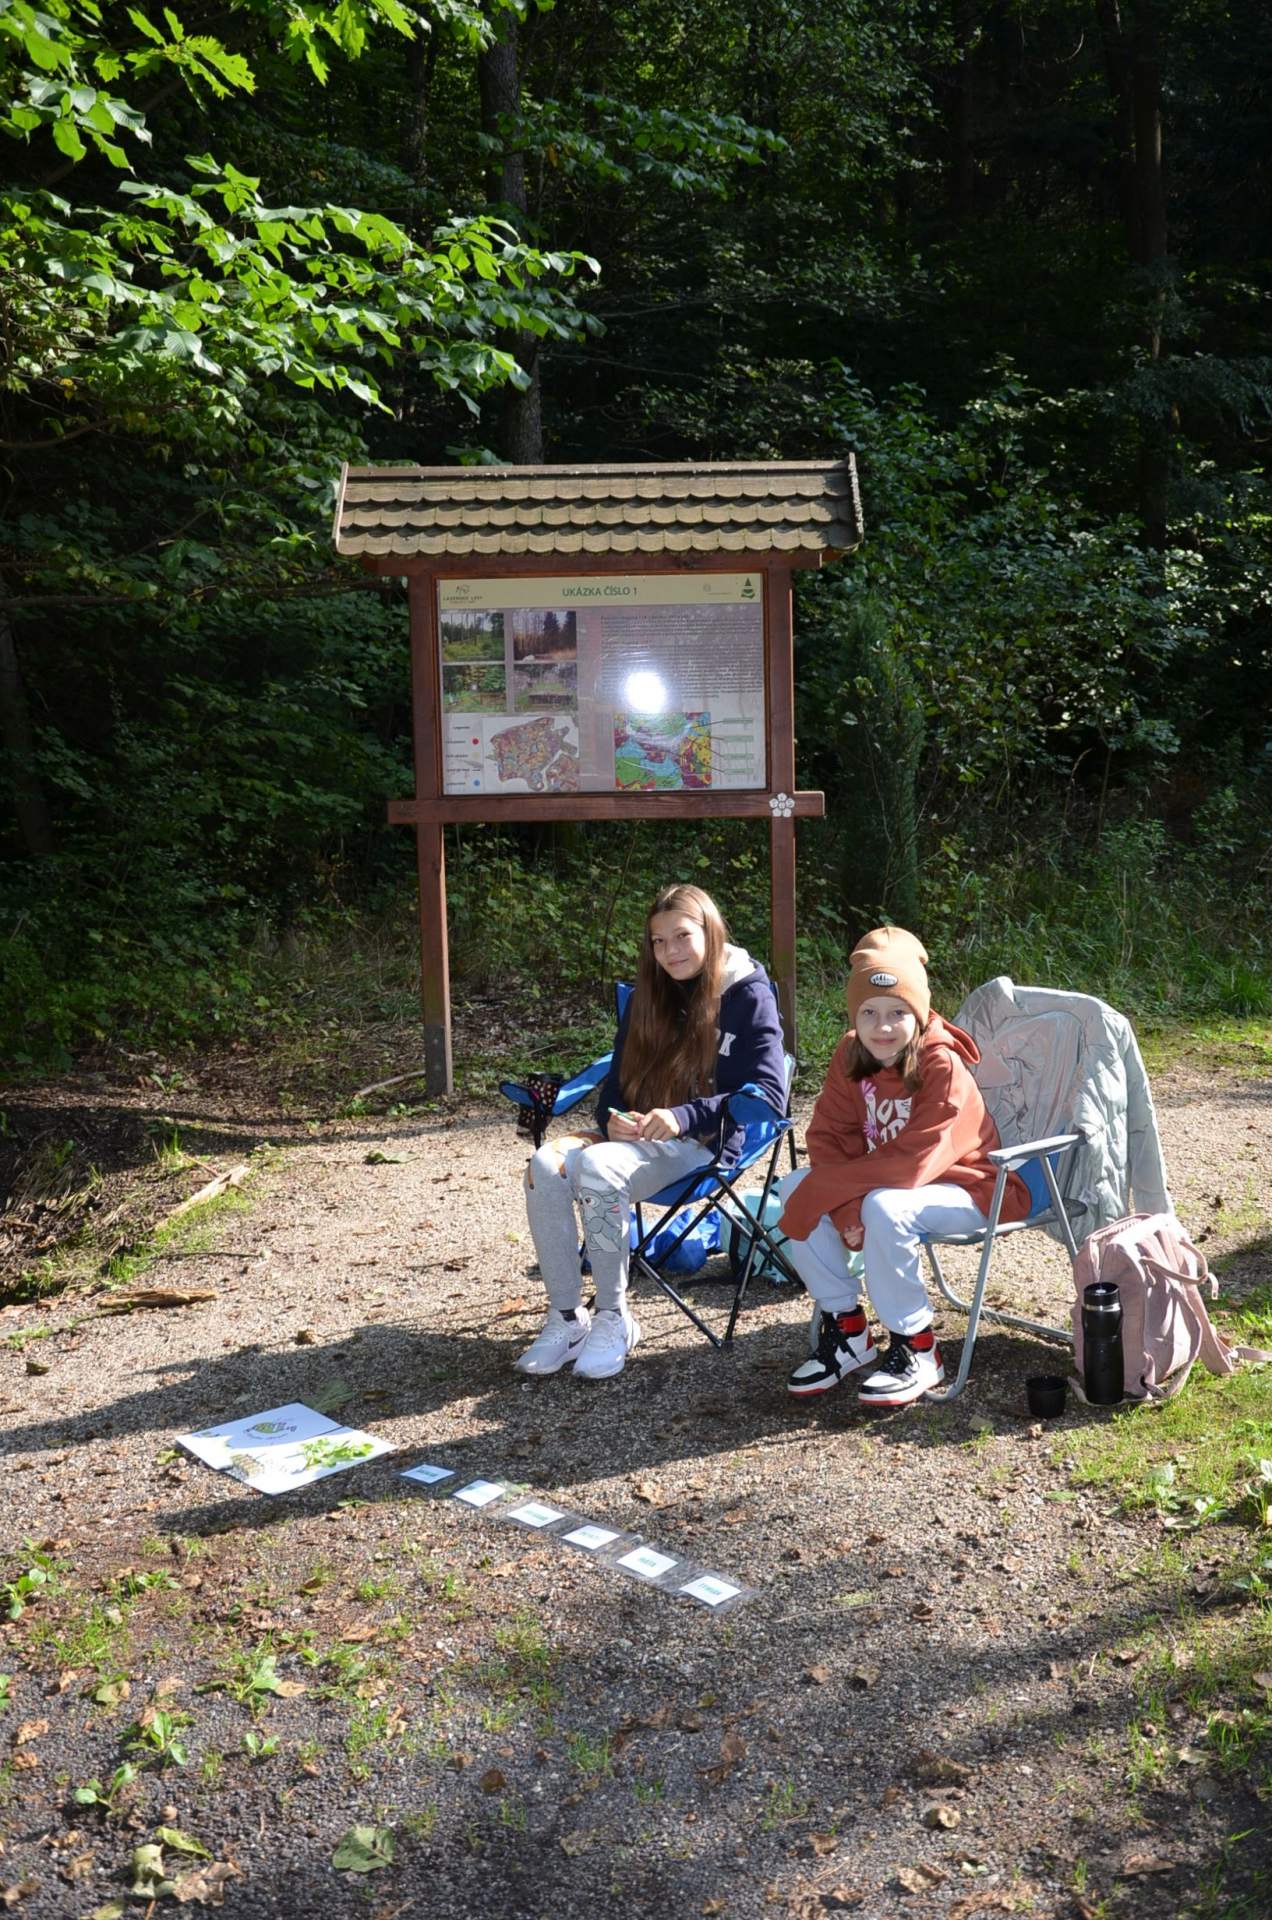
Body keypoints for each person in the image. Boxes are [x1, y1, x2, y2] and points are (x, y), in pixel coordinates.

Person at [516, 883, 787, 1380]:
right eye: (658, 942)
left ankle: (614, 1319)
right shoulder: (649, 994)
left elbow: (770, 1094)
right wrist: (612, 1118)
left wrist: (684, 1116)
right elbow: (615, 1086)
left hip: (702, 1146)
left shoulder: (747, 993)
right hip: (633, 1142)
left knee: (596, 1166)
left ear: (709, 931)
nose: (670, 952)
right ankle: (565, 1317)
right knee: (544, 1166)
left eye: (682, 936)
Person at [777, 926, 1031, 1408]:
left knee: (885, 1208)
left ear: (919, 1013)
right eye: (868, 1013)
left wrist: (847, 1199)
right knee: (794, 1189)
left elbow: (916, 1161)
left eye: (898, 1012)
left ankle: (918, 1347)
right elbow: (829, 1137)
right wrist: (844, 1204)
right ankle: (848, 1329)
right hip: (883, 1186)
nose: (883, 1026)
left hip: (974, 1188)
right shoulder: (851, 1054)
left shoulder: (942, 1066)